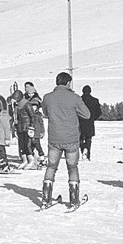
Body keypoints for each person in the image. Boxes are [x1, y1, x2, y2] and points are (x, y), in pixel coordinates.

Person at [41, 72, 91, 209]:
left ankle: (45, 198)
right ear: (68, 83)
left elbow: (45, 112)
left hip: (54, 138)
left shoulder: (47, 97)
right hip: (71, 138)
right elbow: (87, 114)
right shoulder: (74, 98)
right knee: (72, 168)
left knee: (51, 167)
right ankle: (74, 199)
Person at [79, 85, 102, 161]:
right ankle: (87, 153)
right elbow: (99, 112)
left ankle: (82, 150)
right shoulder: (94, 100)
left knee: (80, 138)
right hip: (90, 122)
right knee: (89, 138)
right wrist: (93, 118)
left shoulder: (79, 100)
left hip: (80, 122)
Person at [28, 98, 46, 169]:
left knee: (37, 145)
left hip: (37, 133)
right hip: (30, 132)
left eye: (35, 106)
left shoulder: (38, 115)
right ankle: (32, 159)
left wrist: (42, 131)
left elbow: (41, 124)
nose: (33, 107)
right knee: (30, 146)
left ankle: (42, 157)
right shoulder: (28, 114)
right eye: (32, 106)